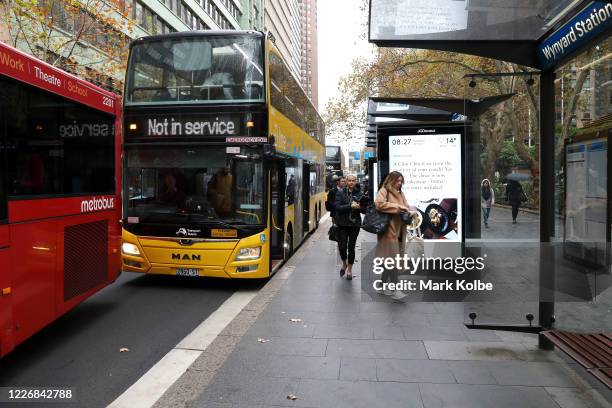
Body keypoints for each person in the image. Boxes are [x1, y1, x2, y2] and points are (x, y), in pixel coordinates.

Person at [374, 171, 415, 300]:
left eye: (401, 181)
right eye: (397, 181)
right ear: (391, 180)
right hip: (388, 231)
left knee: (389, 261)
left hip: (399, 231)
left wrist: (410, 211)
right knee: (392, 261)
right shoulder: (384, 191)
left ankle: (381, 286)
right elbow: (379, 204)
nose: (399, 183)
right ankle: (395, 289)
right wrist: (397, 207)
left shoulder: (400, 193)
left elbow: (406, 207)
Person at [334, 174, 365, 280]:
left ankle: (350, 270)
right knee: (342, 247)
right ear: (346, 182)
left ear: (356, 181)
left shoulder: (360, 193)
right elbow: (337, 207)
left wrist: (360, 207)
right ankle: (344, 263)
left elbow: (365, 209)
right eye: (349, 180)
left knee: (351, 247)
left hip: (354, 224)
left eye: (353, 180)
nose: (351, 182)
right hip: (342, 224)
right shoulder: (340, 192)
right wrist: (350, 206)